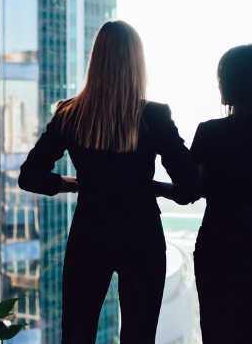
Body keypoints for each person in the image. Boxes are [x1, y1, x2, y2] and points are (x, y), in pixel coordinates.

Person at [18, 20, 202, 343]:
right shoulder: (154, 116)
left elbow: (29, 177)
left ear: (96, 60)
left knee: (77, 335)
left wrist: (73, 184)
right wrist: (156, 188)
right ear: (137, 62)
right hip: (141, 237)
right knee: (138, 336)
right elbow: (190, 187)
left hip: (89, 236)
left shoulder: (68, 115)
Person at [157, 44, 252, 343]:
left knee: (219, 330)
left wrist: (152, 187)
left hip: (220, 239)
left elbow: (189, 192)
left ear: (235, 82)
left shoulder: (210, 133)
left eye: (222, 77)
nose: (219, 83)